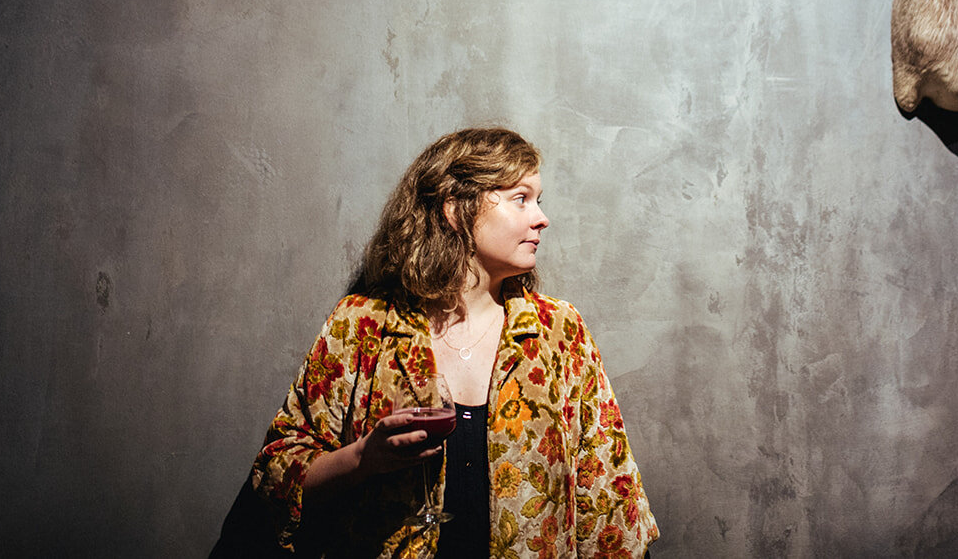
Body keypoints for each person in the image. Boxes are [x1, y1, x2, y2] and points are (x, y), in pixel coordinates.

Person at [215, 126, 658, 558]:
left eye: (539, 201)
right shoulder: (363, 325)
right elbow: (276, 471)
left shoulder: (559, 332)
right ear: (454, 209)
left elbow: (609, 498)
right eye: (520, 199)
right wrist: (363, 459)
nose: (542, 218)